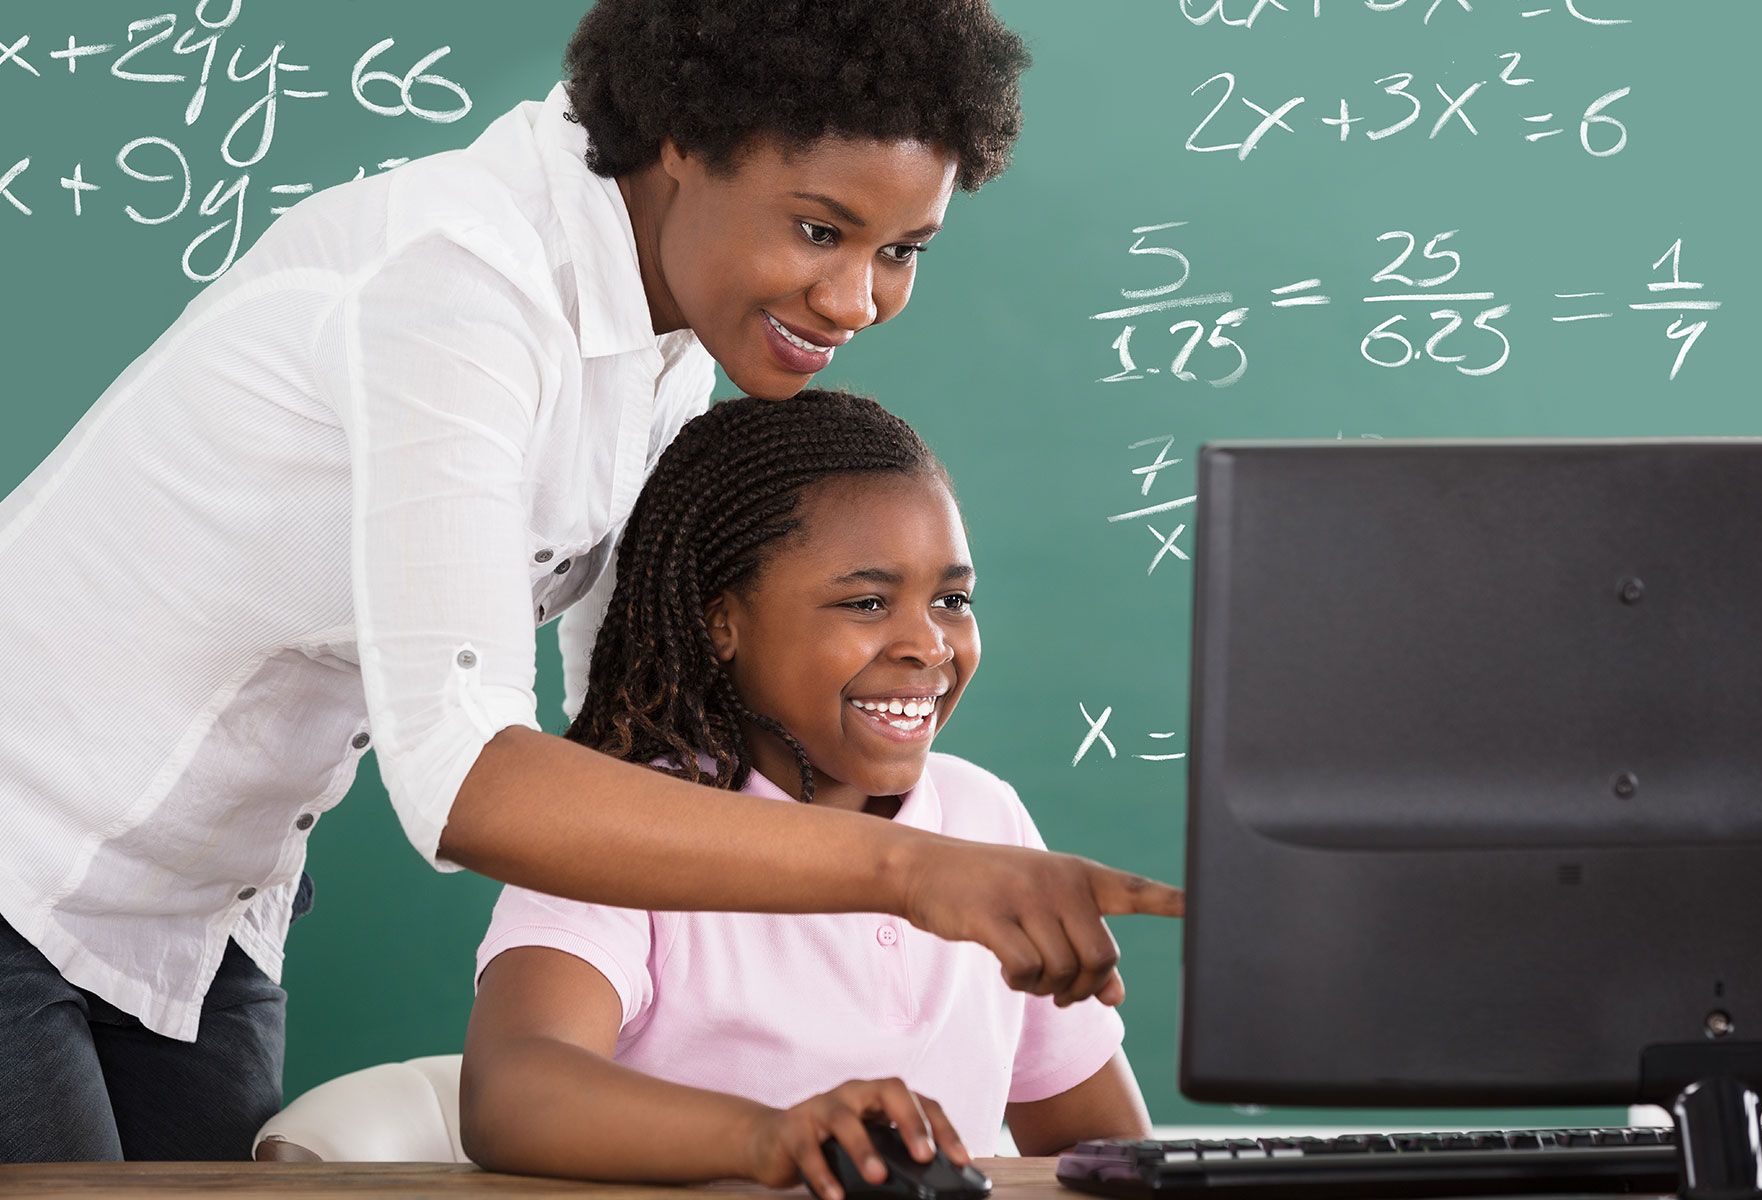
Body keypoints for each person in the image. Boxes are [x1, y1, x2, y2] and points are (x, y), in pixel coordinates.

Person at [0, 0, 1180, 1164]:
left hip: (209, 907)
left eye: (901, 251)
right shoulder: (458, 286)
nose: (856, 299)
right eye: (820, 230)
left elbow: (627, 726)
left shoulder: (669, 336)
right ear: (680, 137)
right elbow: (466, 780)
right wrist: (908, 872)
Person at [463, 391, 1154, 1188]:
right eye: (865, 602)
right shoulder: (619, 828)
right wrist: (773, 1139)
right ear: (723, 622)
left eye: (952, 601)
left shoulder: (984, 819)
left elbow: (1107, 1149)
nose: (928, 645)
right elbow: (509, 1093)